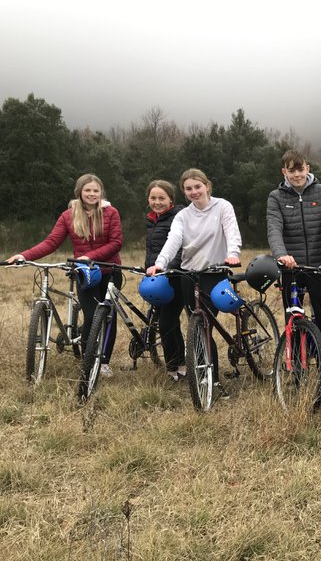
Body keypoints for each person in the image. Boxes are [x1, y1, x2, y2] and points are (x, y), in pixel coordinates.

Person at [7, 174, 123, 376]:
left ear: (101, 193)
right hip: (84, 273)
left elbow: (116, 243)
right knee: (90, 316)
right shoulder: (68, 215)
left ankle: (103, 361)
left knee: (107, 316)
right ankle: (88, 361)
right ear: (79, 192)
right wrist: (24, 256)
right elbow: (51, 242)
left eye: (96, 190)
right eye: (88, 190)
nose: (92, 194)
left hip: (109, 271)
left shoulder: (111, 212)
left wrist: (89, 256)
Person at [146, 168, 241, 396]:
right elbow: (174, 240)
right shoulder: (183, 216)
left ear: (207, 186)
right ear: (184, 191)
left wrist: (233, 253)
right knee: (196, 326)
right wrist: (160, 263)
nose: (194, 191)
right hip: (190, 275)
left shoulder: (222, 207)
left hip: (215, 272)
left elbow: (231, 231)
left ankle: (214, 381)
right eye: (188, 188)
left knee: (206, 325)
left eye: (197, 186)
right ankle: (204, 375)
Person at [267, 149, 321, 389]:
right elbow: (274, 228)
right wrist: (281, 255)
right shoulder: (275, 197)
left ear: (308, 168)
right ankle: (297, 375)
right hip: (291, 268)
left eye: (300, 169)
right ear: (285, 172)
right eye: (292, 170)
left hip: (319, 266)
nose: (297, 174)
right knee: (293, 321)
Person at [144, 180, 186, 381]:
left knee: (167, 323)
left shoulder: (178, 218)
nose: (157, 202)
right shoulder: (152, 220)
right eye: (153, 198)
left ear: (171, 199)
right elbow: (152, 250)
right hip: (156, 278)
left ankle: (173, 368)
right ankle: (181, 363)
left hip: (175, 278)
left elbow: (181, 248)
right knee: (171, 324)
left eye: (162, 198)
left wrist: (169, 268)